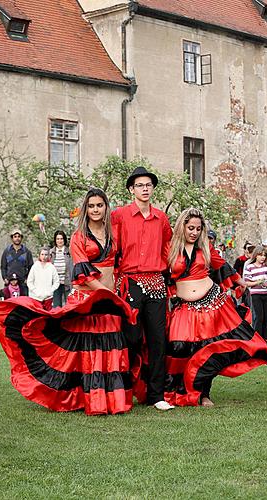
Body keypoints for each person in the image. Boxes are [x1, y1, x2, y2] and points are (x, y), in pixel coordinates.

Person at [0, 188, 137, 416]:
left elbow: (118, 266)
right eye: (91, 206)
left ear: (106, 208)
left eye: (100, 205)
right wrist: (108, 296)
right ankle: (93, 401)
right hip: (90, 301)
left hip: (108, 303)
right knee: (89, 351)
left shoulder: (114, 234)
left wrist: (116, 293)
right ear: (86, 210)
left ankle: (113, 401)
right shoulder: (79, 237)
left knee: (109, 350)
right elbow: (84, 274)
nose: (96, 210)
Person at [165, 208, 267, 407]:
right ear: (182, 226)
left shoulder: (206, 248)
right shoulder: (169, 248)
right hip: (184, 307)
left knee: (210, 349)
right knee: (178, 347)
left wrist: (243, 282)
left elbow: (224, 266)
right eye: (190, 228)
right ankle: (178, 391)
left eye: (198, 229)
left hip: (212, 303)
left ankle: (204, 394)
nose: (194, 232)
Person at [111, 166, 174, 411]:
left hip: (156, 281)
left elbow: (168, 248)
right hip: (131, 283)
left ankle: (156, 395)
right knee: (132, 338)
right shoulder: (120, 215)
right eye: (140, 185)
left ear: (153, 188)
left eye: (148, 185)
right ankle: (124, 391)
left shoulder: (161, 218)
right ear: (131, 189)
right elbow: (112, 248)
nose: (144, 189)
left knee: (159, 339)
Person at [243, 246, 267, 341]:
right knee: (258, 317)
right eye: (260, 255)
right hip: (256, 294)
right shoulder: (249, 267)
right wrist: (258, 282)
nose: (263, 257)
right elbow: (247, 283)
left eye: (264, 255)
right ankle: (257, 339)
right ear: (256, 255)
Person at [0, 229, 33, 295]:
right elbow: (3, 267)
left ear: (21, 238)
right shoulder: (7, 251)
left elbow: (31, 267)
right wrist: (5, 278)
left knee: (23, 303)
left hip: (23, 283)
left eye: (19, 236)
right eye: (15, 236)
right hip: (9, 282)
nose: (17, 238)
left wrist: (27, 279)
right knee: (10, 304)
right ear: (12, 238)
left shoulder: (26, 252)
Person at [50, 230, 73, 307]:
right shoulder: (51, 253)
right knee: (56, 306)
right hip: (55, 283)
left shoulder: (69, 252)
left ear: (64, 240)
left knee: (69, 305)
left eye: (61, 239)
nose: (59, 241)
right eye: (58, 239)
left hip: (67, 282)